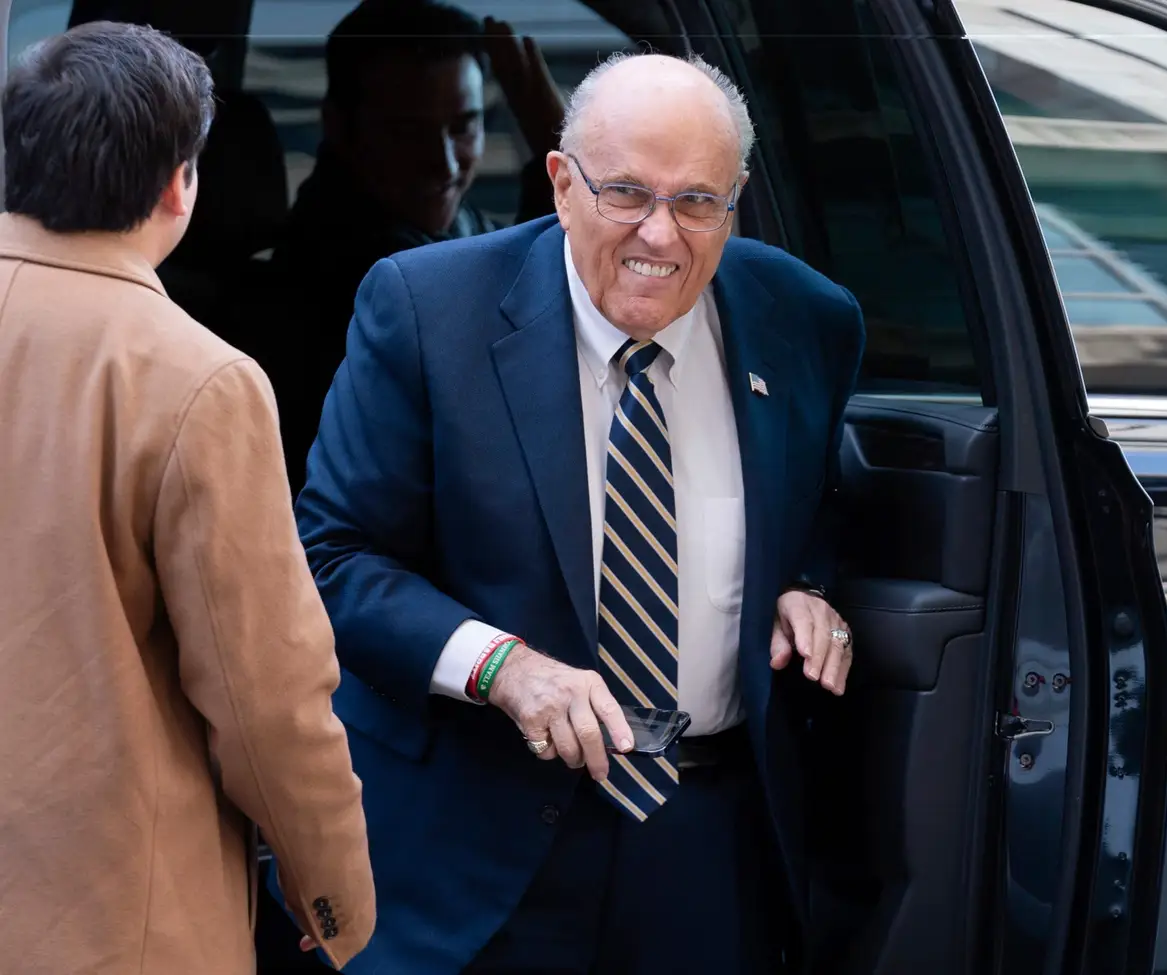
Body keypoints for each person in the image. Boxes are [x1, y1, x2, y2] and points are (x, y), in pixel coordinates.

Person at [289, 50, 864, 974]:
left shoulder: (808, 319)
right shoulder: (427, 309)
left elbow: (822, 504)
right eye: (627, 193)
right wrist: (502, 667)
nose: (660, 235)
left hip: (705, 844)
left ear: (736, 200)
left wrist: (803, 586)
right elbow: (335, 557)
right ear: (561, 183)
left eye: (695, 202)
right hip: (475, 843)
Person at [0, 22, 374, 975]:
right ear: (180, 183)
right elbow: (266, 698)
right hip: (113, 917)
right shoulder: (196, 377)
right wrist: (332, 892)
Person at [272, 0, 566, 487]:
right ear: (341, 128)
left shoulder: (443, 222)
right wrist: (556, 149)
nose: (446, 164)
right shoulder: (347, 264)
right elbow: (525, 326)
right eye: (408, 133)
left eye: (463, 125)